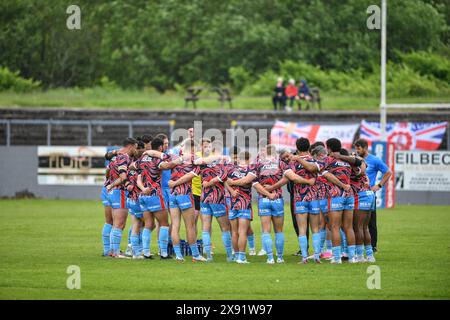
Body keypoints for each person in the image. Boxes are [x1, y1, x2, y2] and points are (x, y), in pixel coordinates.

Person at [293, 140, 359, 264]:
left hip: (336, 195)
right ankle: (353, 257)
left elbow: (312, 167)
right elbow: (360, 168)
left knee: (334, 227)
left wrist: (297, 158)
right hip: (349, 195)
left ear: (328, 149)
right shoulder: (348, 161)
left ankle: (337, 257)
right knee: (348, 227)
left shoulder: (329, 160)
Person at [228, 144, 284, 264]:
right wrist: (272, 190)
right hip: (276, 198)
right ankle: (279, 257)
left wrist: (232, 185)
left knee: (265, 230)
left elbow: (253, 183)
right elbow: (289, 176)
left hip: (257, 200)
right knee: (279, 230)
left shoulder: (256, 165)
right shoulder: (280, 163)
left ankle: (269, 258)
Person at [136, 137, 180, 259]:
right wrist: (178, 161)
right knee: (164, 224)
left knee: (149, 224)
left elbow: (132, 167)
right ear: (160, 147)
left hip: (143, 195)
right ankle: (164, 253)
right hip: (155, 194)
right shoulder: (156, 159)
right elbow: (167, 165)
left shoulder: (142, 158)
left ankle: (145, 252)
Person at [167, 138, 207, 262]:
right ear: (193, 148)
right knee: (190, 226)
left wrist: (173, 184)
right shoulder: (195, 160)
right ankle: (195, 255)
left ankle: (179, 255)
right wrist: (176, 183)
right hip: (184, 194)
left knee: (175, 225)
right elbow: (189, 176)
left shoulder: (174, 157)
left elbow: (162, 160)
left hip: (172, 195)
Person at [194, 140, 233, 262]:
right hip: (217, 198)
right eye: (206, 146)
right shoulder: (220, 162)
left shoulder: (203, 163)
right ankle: (229, 256)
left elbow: (197, 163)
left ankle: (210, 256)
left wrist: (208, 182)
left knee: (206, 227)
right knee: (224, 227)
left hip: (205, 197)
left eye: (209, 146)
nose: (208, 148)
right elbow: (223, 176)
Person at [354, 138, 392, 253]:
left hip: (369, 195)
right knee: (356, 222)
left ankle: (373, 246)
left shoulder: (374, 160)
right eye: (356, 148)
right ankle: (357, 245)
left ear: (365, 148)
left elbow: (388, 172)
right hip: (356, 194)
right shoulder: (355, 159)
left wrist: (379, 185)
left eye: (358, 148)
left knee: (371, 221)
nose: (357, 150)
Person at [105, 138, 138, 258]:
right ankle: (116, 252)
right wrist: (113, 184)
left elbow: (108, 171)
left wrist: (109, 183)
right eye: (135, 147)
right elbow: (123, 176)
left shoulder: (115, 156)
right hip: (120, 192)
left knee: (115, 224)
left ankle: (113, 251)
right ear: (131, 146)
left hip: (113, 192)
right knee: (120, 224)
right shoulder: (124, 157)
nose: (136, 150)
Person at [225, 151, 254, 263]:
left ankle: (237, 256)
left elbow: (224, 180)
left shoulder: (231, 169)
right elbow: (247, 182)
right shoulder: (250, 170)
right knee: (242, 232)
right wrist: (236, 185)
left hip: (232, 203)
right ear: (248, 159)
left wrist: (232, 189)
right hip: (244, 203)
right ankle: (241, 257)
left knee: (234, 231)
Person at [124, 140, 146, 259]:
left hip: (130, 198)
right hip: (137, 198)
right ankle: (138, 251)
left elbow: (126, 180)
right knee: (142, 224)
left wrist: (128, 185)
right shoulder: (140, 166)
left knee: (136, 224)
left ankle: (133, 249)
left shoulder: (130, 165)